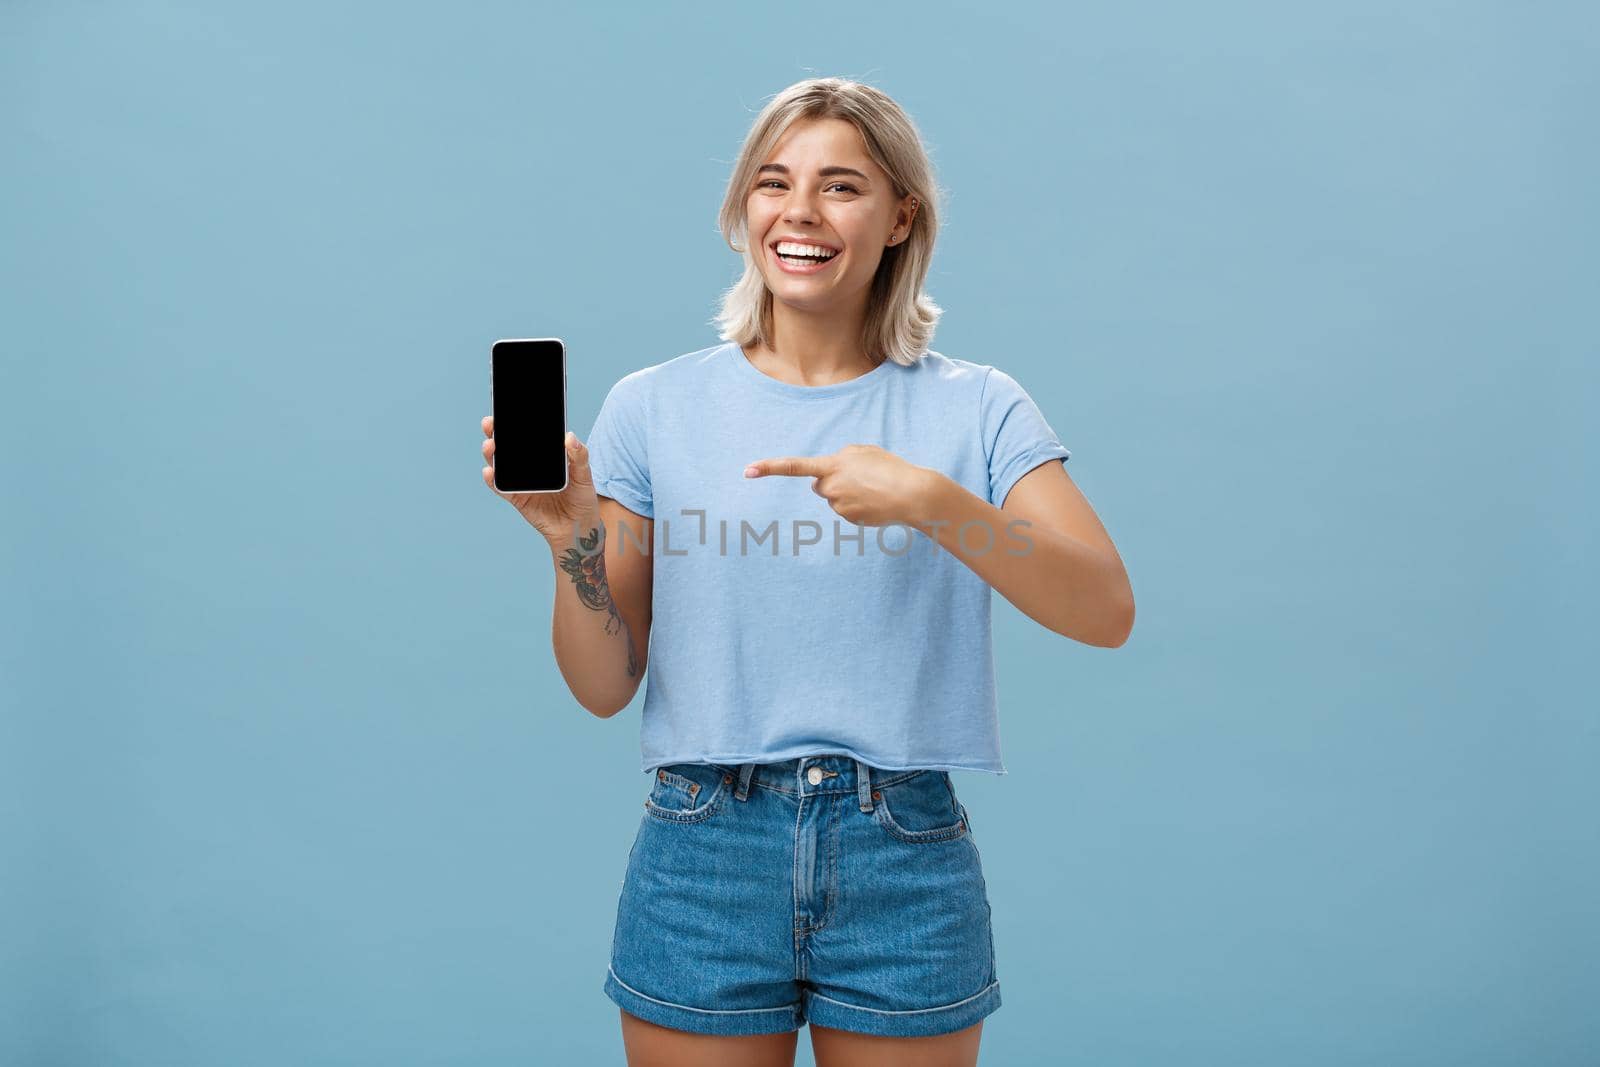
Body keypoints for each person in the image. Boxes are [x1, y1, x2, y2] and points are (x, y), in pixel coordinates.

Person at [481, 76, 1134, 1067]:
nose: (798, 211)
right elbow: (604, 685)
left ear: (899, 214)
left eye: (841, 186)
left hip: (902, 850)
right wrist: (573, 545)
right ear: (743, 211)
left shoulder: (977, 408)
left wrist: (932, 502)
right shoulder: (652, 407)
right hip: (702, 847)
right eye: (772, 182)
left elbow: (1103, 607)